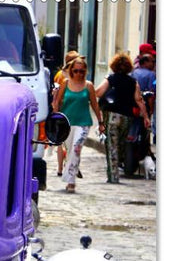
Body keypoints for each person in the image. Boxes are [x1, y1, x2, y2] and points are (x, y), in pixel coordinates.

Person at [95, 52, 151, 183]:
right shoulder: (133, 82)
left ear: (114, 65)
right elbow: (139, 100)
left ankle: (113, 176)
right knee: (120, 144)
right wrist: (146, 117)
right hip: (127, 117)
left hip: (112, 115)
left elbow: (98, 92)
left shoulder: (110, 78)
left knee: (111, 145)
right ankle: (116, 168)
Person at [51, 57, 104, 193]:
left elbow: (95, 104)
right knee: (70, 151)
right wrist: (56, 117)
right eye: (76, 71)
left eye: (82, 71)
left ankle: (71, 180)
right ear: (71, 71)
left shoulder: (89, 86)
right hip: (67, 123)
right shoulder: (65, 83)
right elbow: (57, 102)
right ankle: (71, 171)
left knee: (76, 149)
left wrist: (100, 122)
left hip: (83, 123)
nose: (79, 74)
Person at [53, 50, 80, 177]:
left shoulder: (62, 74)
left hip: (65, 110)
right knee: (67, 140)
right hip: (67, 110)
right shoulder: (66, 76)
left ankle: (63, 167)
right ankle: (66, 165)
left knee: (63, 140)